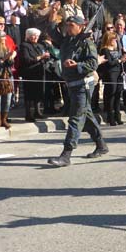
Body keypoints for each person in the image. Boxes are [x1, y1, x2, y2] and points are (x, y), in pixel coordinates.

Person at [46, 12, 108, 167]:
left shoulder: (87, 43)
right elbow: (53, 32)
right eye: (67, 25)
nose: (68, 27)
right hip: (72, 84)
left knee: (76, 118)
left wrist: (77, 66)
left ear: (81, 27)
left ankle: (66, 155)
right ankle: (101, 145)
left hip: (83, 84)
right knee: (86, 117)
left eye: (71, 25)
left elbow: (93, 64)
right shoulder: (68, 40)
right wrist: (52, 16)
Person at [19, 28, 50, 122]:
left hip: (40, 72)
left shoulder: (40, 46)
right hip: (29, 73)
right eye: (33, 35)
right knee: (29, 94)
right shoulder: (24, 45)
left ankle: (38, 112)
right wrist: (41, 57)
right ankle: (28, 114)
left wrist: (46, 57)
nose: (35, 37)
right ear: (28, 36)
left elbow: (44, 57)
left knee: (39, 92)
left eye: (37, 35)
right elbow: (26, 59)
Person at [98, 30, 126, 126]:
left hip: (119, 72)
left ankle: (118, 116)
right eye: (114, 39)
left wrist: (123, 55)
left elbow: (120, 59)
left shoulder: (116, 49)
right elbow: (109, 62)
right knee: (112, 94)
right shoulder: (105, 50)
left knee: (118, 94)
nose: (115, 41)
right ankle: (110, 117)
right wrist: (119, 60)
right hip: (111, 73)